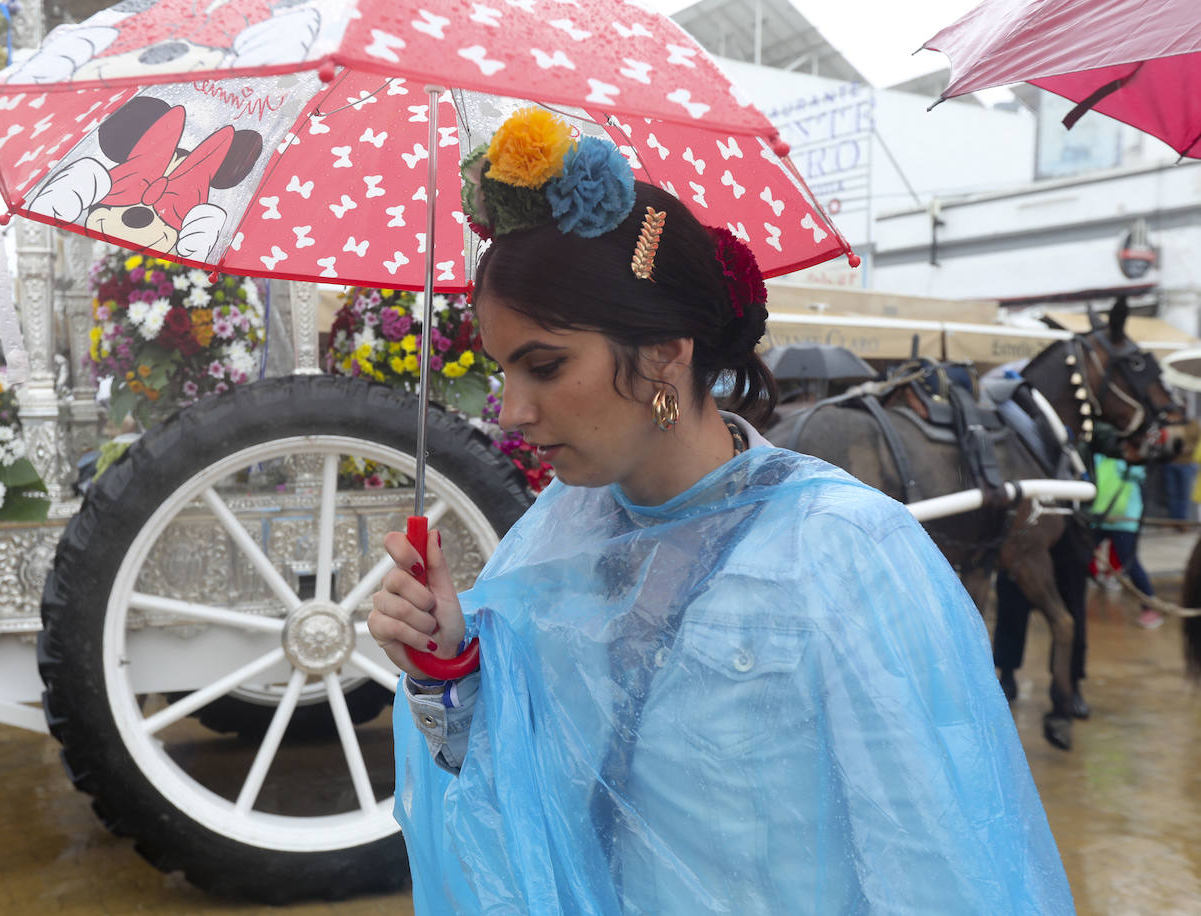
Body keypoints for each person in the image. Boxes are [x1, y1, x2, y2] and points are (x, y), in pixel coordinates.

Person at [367, 110, 1072, 913]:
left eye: (545, 365)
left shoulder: (846, 551)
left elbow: (935, 861)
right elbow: (520, 807)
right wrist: (448, 672)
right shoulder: (549, 537)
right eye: (502, 371)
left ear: (668, 351)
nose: (511, 411)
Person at [992, 517, 1092, 716]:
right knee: (1011, 609)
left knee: (1073, 613)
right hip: (1024, 533)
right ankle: (1007, 676)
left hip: (1067, 531)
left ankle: (1071, 686)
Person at [1091, 453, 1161, 628]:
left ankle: (1150, 607)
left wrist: (1130, 460)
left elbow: (1140, 473)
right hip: (1098, 517)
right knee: (1079, 556)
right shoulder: (1098, 457)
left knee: (1130, 564)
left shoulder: (1130, 457)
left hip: (1124, 520)